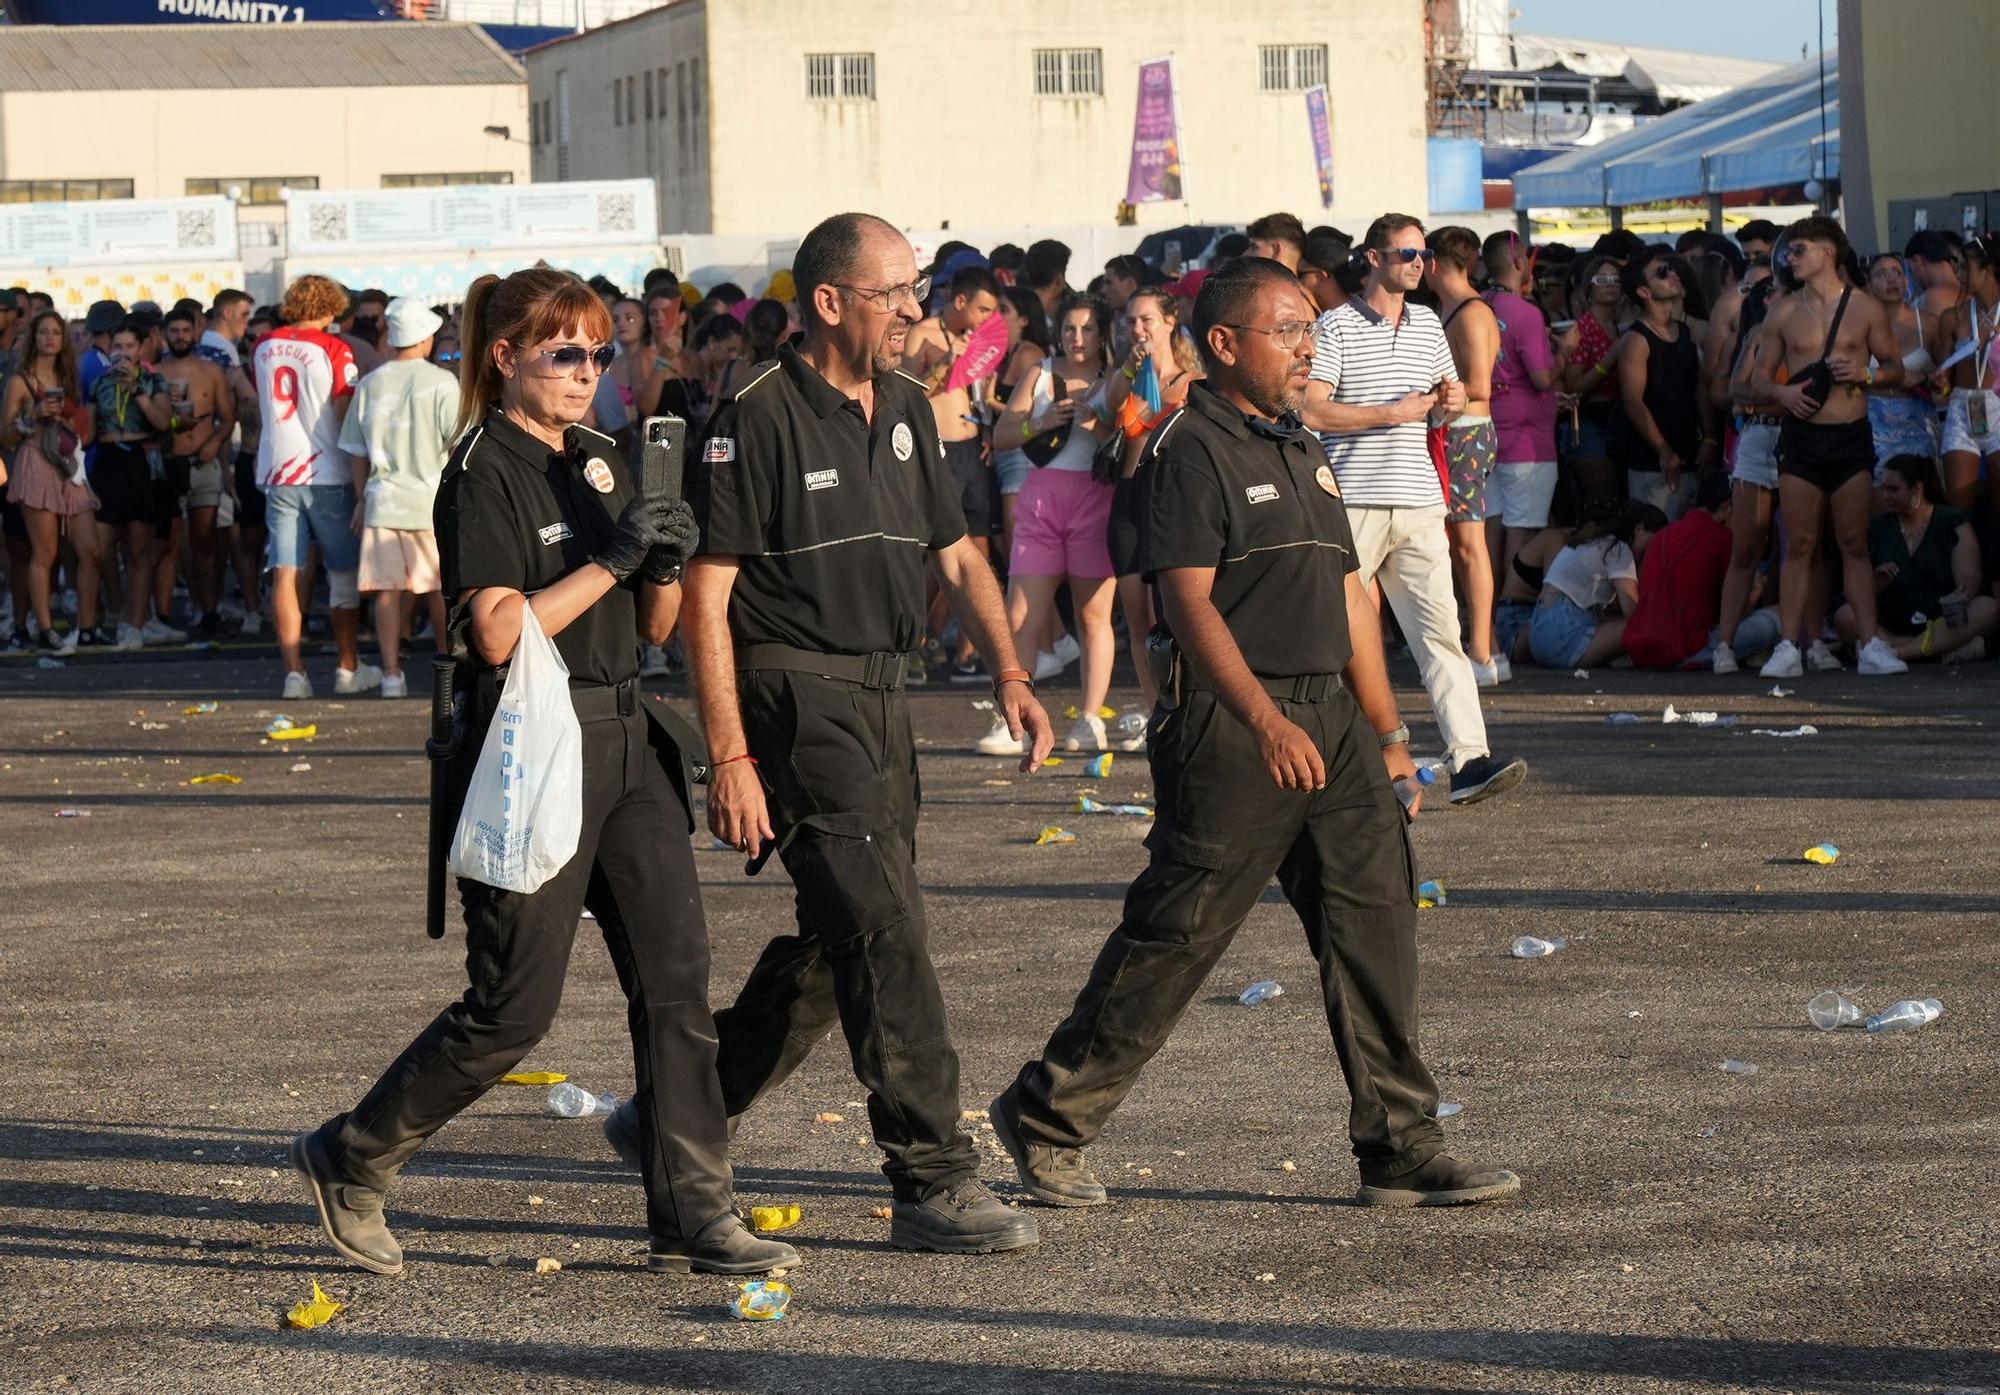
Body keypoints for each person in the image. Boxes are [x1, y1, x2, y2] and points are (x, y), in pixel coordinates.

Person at [290, 265, 793, 1280]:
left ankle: (693, 1209)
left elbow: (649, 628)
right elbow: (495, 629)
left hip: (625, 735)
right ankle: (354, 1152)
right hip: (530, 742)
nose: (585, 372)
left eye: (599, 352)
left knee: (676, 985)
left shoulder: (606, 457)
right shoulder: (483, 467)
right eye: (564, 352)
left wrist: (658, 566)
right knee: (512, 1007)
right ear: (504, 358)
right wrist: (611, 560)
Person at [988, 257, 1519, 1213]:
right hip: (1234, 722)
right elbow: (1185, 604)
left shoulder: (1303, 443)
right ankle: (1047, 1113)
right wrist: (1263, 720)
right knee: (1180, 931)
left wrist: (1391, 731)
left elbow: (1351, 595)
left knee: (1376, 918)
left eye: (1311, 329)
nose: (1306, 346)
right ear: (1225, 343)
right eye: (1287, 330)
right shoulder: (1190, 446)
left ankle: (1400, 1141)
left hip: (1335, 721)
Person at [642, 211, 1053, 1255]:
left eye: (915, 292)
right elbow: (706, 596)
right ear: (829, 303)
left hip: (883, 696)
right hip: (793, 696)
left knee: (847, 929)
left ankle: (673, 1116)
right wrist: (729, 755)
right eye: (893, 295)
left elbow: (956, 558)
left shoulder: (909, 407)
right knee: (886, 930)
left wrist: (1010, 669)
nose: (914, 313)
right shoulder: (753, 413)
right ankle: (931, 1176)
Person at [1303, 216, 1527, 804]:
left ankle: (1470, 759)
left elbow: (1439, 408)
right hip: (1353, 499)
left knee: (1441, 637)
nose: (1418, 263)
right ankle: (1334, 759)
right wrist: (1392, 412)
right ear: (1373, 258)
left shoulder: (1429, 322)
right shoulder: (1336, 326)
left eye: (1423, 254)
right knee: (1336, 636)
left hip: (1421, 499)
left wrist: (1450, 401)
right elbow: (1313, 412)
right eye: (1406, 253)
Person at [1749, 216, 1909, 678]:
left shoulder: (1865, 308)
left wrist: (1866, 376)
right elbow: (1758, 378)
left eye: (1799, 250)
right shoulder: (1782, 311)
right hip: (1801, 438)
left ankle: (1870, 644)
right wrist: (1782, 394)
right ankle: (1788, 646)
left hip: (1850, 434)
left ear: (1828, 254)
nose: (1790, 259)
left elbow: (1895, 367)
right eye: (1789, 251)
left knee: (1854, 542)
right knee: (1798, 542)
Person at [986, 295, 1118, 752]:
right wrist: (1038, 422)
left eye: (1086, 329)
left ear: (1103, 334)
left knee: (1092, 616)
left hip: (1095, 498)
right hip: (1041, 497)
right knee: (1019, 616)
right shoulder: (1039, 372)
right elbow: (1002, 436)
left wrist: (1097, 426)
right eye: (1068, 329)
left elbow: (1126, 440)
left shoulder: (1115, 379)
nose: (1076, 338)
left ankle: (1090, 718)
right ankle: (1014, 721)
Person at [255, 274, 382, 698]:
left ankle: (295, 673)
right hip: (327, 470)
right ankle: (348, 667)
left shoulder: (265, 345)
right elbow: (345, 412)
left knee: (285, 573)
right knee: (342, 574)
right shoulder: (334, 348)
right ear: (331, 306)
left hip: (278, 470)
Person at [335, 299, 461, 698]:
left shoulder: (371, 383)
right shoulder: (442, 382)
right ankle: (450, 670)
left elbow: (356, 452)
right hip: (430, 503)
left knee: (388, 592)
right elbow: (457, 445)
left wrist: (360, 499)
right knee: (440, 589)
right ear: (425, 338)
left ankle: (392, 674)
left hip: (382, 500)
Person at [1099, 287, 1202, 719]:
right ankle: (1156, 712)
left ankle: (1187, 706)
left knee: (1174, 616)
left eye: (1146, 320)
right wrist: (1128, 368)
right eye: (1130, 321)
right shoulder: (1130, 377)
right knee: (1139, 621)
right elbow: (1105, 407)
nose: (1137, 329)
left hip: (1170, 502)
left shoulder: (1192, 381)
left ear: (1169, 323)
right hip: (1128, 498)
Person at [906, 263, 1004, 679]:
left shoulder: (981, 340)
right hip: (938, 450)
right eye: (982, 310)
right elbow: (908, 392)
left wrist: (991, 425)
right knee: (938, 553)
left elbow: (986, 394)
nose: (987, 319)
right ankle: (917, 640)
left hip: (972, 446)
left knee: (978, 552)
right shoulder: (923, 334)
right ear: (959, 301)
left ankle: (970, 648)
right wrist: (947, 362)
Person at [1425, 226, 1505, 684]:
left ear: (1435, 262)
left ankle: (1480, 651)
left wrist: (1424, 393)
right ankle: (1486, 645)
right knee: (1460, 545)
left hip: (1467, 432)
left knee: (1470, 545)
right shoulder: (1457, 309)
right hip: (1458, 433)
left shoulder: (1472, 313)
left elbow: (1479, 385)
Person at [1, 310, 102, 651]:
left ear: (63, 340)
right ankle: (46, 629)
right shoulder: (20, 381)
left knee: (90, 549)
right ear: (34, 338)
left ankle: (87, 627)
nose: (49, 338)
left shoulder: (69, 378)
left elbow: (87, 425)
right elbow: (6, 436)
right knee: (45, 552)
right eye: (43, 332)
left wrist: (74, 421)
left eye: (55, 333)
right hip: (36, 461)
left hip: (70, 464)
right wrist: (33, 415)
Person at [1713, 275, 1799, 675]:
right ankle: (1725, 645)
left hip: (1796, 440)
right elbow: (1736, 388)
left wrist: (1760, 396)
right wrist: (1776, 397)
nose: (1775, 299)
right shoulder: (1758, 336)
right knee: (1746, 547)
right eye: (1772, 293)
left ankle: (1789, 638)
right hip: (1760, 438)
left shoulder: (1806, 334)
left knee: (1795, 547)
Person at [1840, 453, 1997, 664]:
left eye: (1893, 489)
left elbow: (1968, 581)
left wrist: (1959, 595)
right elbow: (1861, 590)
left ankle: (1898, 653)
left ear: (1917, 489)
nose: (1884, 496)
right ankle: (1938, 649)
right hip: (1893, 620)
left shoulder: (1952, 522)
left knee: (1987, 608)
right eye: (1884, 488)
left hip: (1942, 620)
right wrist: (1877, 582)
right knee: (1845, 616)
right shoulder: (1878, 528)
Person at [1482, 230, 1574, 579]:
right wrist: (1564, 352)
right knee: (1523, 530)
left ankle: (1487, 616)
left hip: (1486, 434)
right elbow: (1542, 379)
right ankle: (1511, 612)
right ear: (1519, 262)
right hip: (1526, 443)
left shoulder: (1476, 305)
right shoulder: (1526, 313)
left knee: (1492, 528)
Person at [1622, 471, 1781, 668]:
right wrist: (1758, 588)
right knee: (1778, 615)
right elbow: (1740, 610)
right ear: (1727, 508)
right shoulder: (1722, 536)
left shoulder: (1662, 535)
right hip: (1689, 649)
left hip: (1647, 645)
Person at [89, 320, 174, 651]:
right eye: (117, 347)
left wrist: (137, 390)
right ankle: (112, 611)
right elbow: (89, 429)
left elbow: (163, 422)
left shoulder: (154, 381)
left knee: (139, 553)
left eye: (128, 346)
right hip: (109, 460)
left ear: (141, 350)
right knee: (98, 548)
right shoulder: (99, 383)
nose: (122, 353)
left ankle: (136, 625)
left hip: (140, 459)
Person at [1613, 248, 1713, 520]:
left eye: (1669, 269)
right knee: (1653, 538)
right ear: (1644, 292)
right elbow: (1633, 401)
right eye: (1661, 273)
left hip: (1688, 456)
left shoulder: (1685, 332)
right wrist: (1663, 450)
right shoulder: (1636, 340)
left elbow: (1698, 388)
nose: (1672, 275)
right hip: (1652, 462)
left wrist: (1710, 438)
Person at [157, 306, 234, 640]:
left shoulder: (212, 371)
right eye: (173, 331)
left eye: (185, 331)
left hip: (204, 461)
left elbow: (229, 417)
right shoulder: (156, 372)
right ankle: (167, 611)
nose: (179, 337)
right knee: (170, 542)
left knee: (204, 540)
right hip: (169, 461)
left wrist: (215, 443)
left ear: (196, 333)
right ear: (164, 335)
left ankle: (210, 607)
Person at [1526, 501, 1665, 670]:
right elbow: (1633, 611)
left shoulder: (1594, 541)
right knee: (1643, 626)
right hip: (1563, 635)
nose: (1650, 550)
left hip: (1539, 634)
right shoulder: (1618, 549)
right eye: (1652, 542)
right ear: (1638, 528)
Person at [1930, 233, 2000, 519]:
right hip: (1961, 408)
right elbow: (1943, 379)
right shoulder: (1952, 316)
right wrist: (1941, 383)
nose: (1957, 274)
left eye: (1964, 266)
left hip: (1997, 405)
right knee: (1958, 513)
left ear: (1988, 269)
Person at [1558, 254, 1629, 506]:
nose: (1610, 283)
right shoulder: (1583, 329)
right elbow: (1574, 387)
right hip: (1591, 421)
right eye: (1602, 279)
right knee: (1600, 500)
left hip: (1617, 418)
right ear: (1590, 286)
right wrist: (1609, 359)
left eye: (1615, 279)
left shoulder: (1619, 325)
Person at [989, 286, 1053, 560]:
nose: (995, 315)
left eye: (1004, 310)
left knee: (1020, 551)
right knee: (1005, 541)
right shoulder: (1010, 352)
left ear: (1024, 319)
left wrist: (991, 402)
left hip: (1021, 456)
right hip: (1007, 453)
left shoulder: (1028, 354)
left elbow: (1037, 411)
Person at [1864, 253, 1939, 485]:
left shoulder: (1928, 323)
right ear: (1870, 285)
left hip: (1919, 422)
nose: (1891, 279)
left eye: (1897, 272)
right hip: (1873, 423)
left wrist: (1924, 376)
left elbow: (1947, 379)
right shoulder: (1861, 325)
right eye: (1882, 274)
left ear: (1907, 281)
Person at [1906, 230, 1963, 322]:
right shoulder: (1968, 291)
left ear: (1918, 261)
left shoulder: (1934, 296)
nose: (1914, 278)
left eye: (1910, 271)